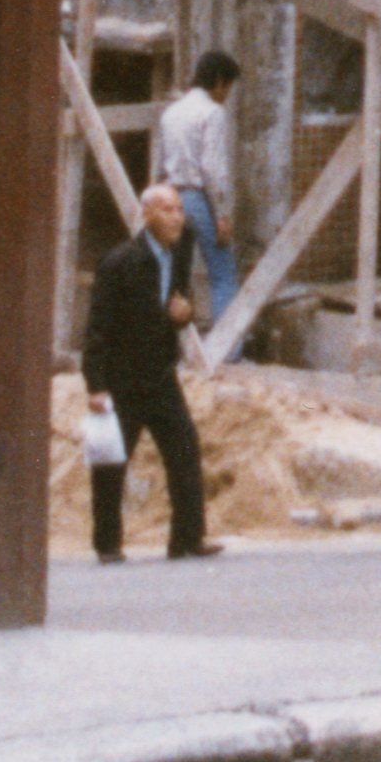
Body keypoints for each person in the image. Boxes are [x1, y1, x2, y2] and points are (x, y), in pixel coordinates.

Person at [80, 184, 217, 561]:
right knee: (112, 463)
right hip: (123, 378)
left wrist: (183, 315)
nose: (177, 217)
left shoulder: (182, 247)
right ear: (146, 215)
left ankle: (188, 538)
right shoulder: (119, 262)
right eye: (167, 210)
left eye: (178, 210)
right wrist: (96, 385)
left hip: (160, 374)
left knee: (184, 450)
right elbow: (97, 329)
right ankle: (108, 544)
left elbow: (179, 302)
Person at [152, 49, 241, 324]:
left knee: (174, 272)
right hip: (198, 198)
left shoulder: (171, 113)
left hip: (171, 195)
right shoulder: (213, 112)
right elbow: (212, 169)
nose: (226, 95)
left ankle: (171, 344)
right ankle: (228, 350)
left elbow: (159, 164)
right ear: (218, 81)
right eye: (227, 87)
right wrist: (222, 215)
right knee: (223, 273)